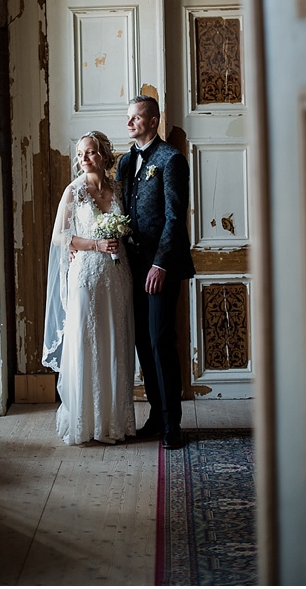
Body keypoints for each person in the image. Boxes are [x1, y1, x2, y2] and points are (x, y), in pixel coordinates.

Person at [42, 131, 136, 446]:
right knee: (87, 344)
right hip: (86, 277)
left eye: (91, 153)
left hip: (117, 275)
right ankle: (86, 422)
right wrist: (95, 243)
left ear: (104, 156)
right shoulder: (74, 191)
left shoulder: (118, 189)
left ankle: (114, 422)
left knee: (116, 342)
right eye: (81, 154)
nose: (84, 159)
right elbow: (59, 237)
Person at [116, 95, 194, 449]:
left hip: (162, 267)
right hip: (130, 266)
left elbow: (176, 218)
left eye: (136, 118)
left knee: (162, 340)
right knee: (142, 343)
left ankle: (172, 424)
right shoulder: (124, 161)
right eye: (128, 117)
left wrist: (160, 263)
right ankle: (155, 414)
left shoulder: (171, 160)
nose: (129, 123)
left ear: (153, 121)